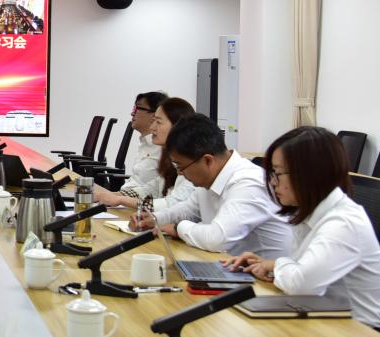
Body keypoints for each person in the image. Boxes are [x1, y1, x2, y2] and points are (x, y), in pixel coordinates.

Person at [224, 127, 380, 331]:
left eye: (278, 173)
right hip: (323, 317)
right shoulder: (310, 211)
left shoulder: (343, 223)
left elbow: (302, 285)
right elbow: (302, 272)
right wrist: (270, 266)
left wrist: (277, 264)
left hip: (358, 334)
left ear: (309, 175)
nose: (272, 182)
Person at [130, 114, 292, 258]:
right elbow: (188, 210)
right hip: (232, 268)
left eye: (181, 167)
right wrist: (155, 219)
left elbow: (217, 239)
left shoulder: (248, 183)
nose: (180, 173)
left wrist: (179, 228)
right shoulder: (212, 178)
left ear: (207, 160)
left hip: (263, 279)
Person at [97, 97, 196, 211]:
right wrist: (115, 196)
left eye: (158, 122)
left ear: (177, 126)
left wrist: (121, 200)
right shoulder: (168, 158)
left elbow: (172, 205)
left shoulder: (191, 164)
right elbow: (151, 189)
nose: (152, 127)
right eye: (153, 121)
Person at [110, 91, 167, 201]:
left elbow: (168, 204)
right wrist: (115, 196)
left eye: (137, 108)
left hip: (139, 205)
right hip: (132, 201)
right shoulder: (145, 144)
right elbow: (149, 188)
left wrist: (119, 199)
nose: (132, 113)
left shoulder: (163, 150)